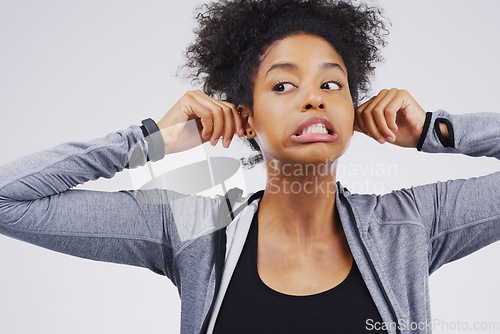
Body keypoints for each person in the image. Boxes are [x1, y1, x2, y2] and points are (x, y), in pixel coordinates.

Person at [0, 1, 499, 334]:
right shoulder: (193, 233)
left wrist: (437, 129)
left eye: (332, 85)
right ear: (246, 118)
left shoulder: (411, 224)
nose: (313, 100)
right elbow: (7, 200)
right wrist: (151, 139)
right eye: (283, 86)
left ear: (353, 111)